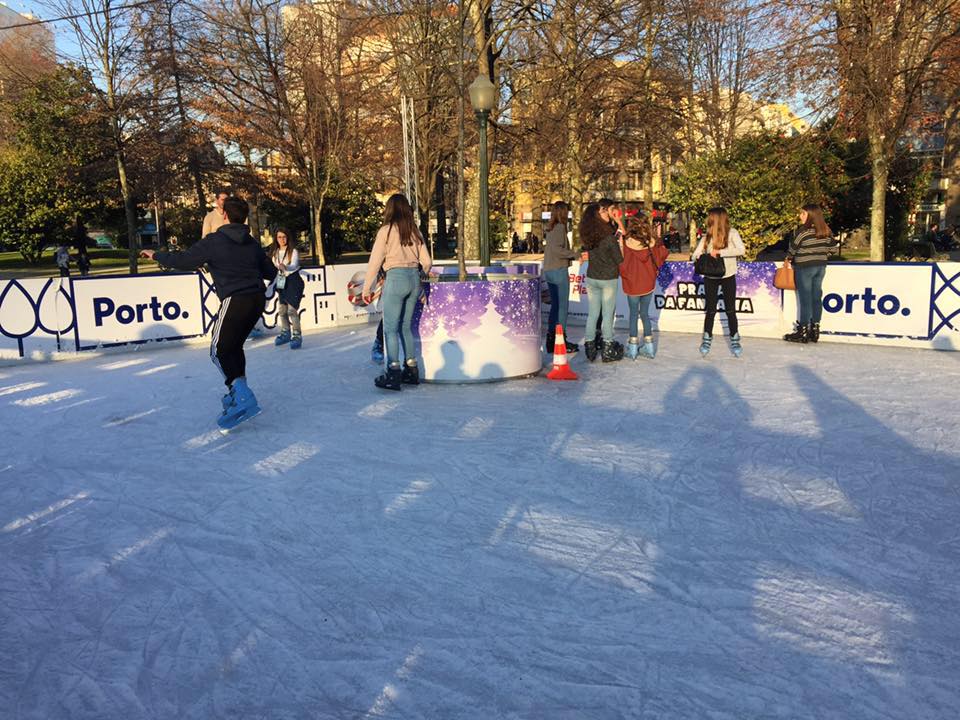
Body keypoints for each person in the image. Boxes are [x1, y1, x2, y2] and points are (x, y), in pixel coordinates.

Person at [142, 196, 276, 429]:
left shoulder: (215, 241)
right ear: (243, 216)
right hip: (256, 299)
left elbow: (183, 260)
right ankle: (238, 393)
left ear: (223, 214)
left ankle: (242, 394)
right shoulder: (252, 243)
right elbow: (270, 271)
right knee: (233, 347)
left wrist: (157, 255)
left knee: (218, 349)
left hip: (236, 299)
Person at [362, 194, 432, 390]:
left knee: (390, 328)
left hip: (396, 278)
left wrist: (367, 288)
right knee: (405, 327)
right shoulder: (414, 231)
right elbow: (427, 262)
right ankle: (411, 369)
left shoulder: (386, 231)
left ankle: (393, 372)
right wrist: (419, 276)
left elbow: (375, 262)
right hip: (413, 280)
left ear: (390, 209)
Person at [691, 206, 746, 357]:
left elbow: (741, 250)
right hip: (710, 277)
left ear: (717, 219)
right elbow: (694, 255)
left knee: (730, 309)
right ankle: (707, 337)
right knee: (711, 310)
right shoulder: (706, 236)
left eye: (710, 217)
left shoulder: (732, 233)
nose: (707, 220)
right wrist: (701, 256)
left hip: (728, 275)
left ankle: (734, 337)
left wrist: (720, 252)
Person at [620, 213, 669, 359]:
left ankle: (633, 348)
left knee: (634, 314)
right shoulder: (652, 242)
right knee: (645, 314)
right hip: (648, 282)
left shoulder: (626, 242)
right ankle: (649, 347)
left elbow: (621, 263)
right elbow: (663, 255)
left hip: (632, 284)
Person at [784, 204, 835, 344]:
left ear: (811, 216)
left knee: (805, 299)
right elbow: (833, 249)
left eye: (803, 214)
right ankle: (815, 329)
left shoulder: (802, 232)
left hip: (804, 267)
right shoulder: (825, 231)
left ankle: (803, 331)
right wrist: (820, 254)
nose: (800, 216)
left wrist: (789, 258)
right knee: (816, 297)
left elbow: (792, 250)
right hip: (820, 266)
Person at [580, 202, 624, 363]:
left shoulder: (590, 235)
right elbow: (619, 259)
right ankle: (607, 346)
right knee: (607, 314)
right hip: (608, 279)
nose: (607, 213)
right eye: (604, 211)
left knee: (593, 314)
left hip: (592, 277)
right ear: (598, 215)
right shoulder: (607, 238)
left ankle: (590, 347)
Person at [542, 201, 579, 354]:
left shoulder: (551, 228)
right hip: (558, 269)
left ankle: (551, 340)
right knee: (562, 306)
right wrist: (574, 254)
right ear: (563, 212)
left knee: (556, 306)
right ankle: (560, 339)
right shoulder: (559, 228)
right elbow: (558, 249)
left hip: (550, 270)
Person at [270, 228, 305, 350]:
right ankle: (285, 332)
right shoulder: (275, 252)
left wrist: (286, 267)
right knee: (282, 310)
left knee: (291, 310)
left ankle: (297, 335)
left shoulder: (293, 251)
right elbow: (274, 266)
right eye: (279, 237)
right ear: (276, 238)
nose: (282, 239)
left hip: (293, 281)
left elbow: (295, 265)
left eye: (284, 237)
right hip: (281, 281)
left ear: (288, 238)